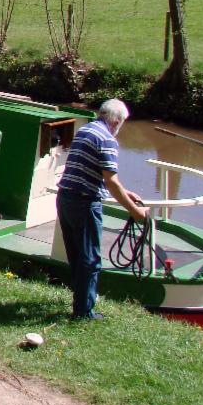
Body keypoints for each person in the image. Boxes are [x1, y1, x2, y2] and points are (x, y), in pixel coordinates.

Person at [56, 98, 149, 320]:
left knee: (77, 256)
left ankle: (81, 303)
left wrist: (126, 194)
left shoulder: (85, 130)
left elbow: (99, 174)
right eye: (123, 122)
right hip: (85, 202)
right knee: (90, 260)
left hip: (65, 197)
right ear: (116, 121)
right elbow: (111, 181)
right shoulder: (107, 139)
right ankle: (84, 312)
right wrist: (136, 213)